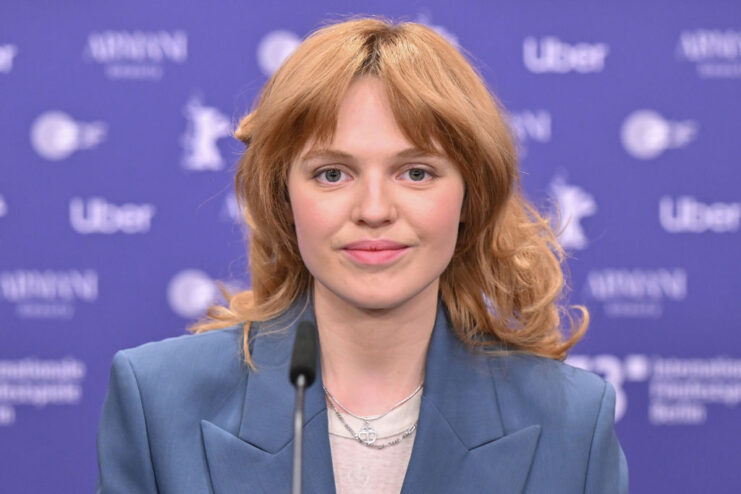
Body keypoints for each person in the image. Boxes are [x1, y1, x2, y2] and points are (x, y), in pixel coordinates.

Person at [96, 16, 628, 494]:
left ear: (471, 195)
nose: (374, 209)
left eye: (416, 172)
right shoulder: (157, 404)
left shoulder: (572, 421)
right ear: (283, 198)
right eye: (333, 173)